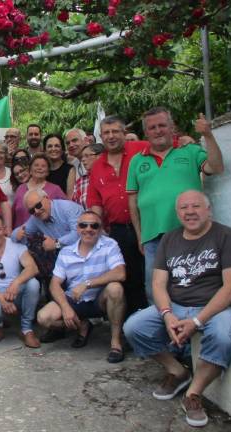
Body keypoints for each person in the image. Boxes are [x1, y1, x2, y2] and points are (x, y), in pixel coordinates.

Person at [124, 191, 231, 428]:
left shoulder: (227, 236)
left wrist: (198, 321)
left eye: (196, 206)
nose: (190, 212)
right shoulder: (170, 239)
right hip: (177, 306)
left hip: (217, 308)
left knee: (224, 336)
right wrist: (167, 314)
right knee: (134, 327)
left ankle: (193, 393)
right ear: (177, 213)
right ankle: (177, 371)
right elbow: (158, 284)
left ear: (208, 210)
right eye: (183, 208)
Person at [127, 108, 224, 304]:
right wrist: (140, 236)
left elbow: (216, 167)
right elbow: (133, 201)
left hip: (189, 232)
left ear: (172, 127)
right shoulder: (137, 161)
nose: (158, 130)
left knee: (192, 283)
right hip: (152, 237)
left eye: (162, 125)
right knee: (154, 288)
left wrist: (208, 135)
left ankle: (193, 329)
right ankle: (164, 331)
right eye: (152, 127)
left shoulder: (191, 151)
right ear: (146, 132)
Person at [36, 211, 127, 363]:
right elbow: (55, 283)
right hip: (75, 299)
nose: (88, 229)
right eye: (83, 225)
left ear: (100, 229)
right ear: (77, 229)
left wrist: (87, 283)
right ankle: (82, 325)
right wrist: (65, 307)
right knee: (43, 318)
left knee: (115, 288)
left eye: (94, 225)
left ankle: (116, 342)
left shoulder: (109, 245)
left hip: (100, 299)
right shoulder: (66, 252)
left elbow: (120, 273)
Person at [88, 116, 150, 315]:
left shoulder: (141, 148)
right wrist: (95, 232)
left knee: (156, 275)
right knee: (130, 280)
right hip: (119, 231)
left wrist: (185, 141)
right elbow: (95, 203)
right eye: (106, 133)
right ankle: (136, 327)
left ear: (124, 133)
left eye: (115, 131)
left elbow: (168, 144)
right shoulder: (97, 166)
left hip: (148, 225)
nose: (111, 136)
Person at [0, 213, 42, 347]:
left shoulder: (16, 245)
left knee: (33, 284)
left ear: (4, 229)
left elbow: (32, 268)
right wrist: (1, 299)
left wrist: (16, 282)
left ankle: (26, 329)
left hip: (14, 291)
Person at [12, 154, 68, 227]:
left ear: (48, 172)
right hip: (21, 234)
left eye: (43, 166)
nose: (39, 168)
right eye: (36, 165)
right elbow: (13, 214)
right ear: (30, 170)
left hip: (47, 235)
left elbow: (66, 211)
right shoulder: (20, 189)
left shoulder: (55, 189)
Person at [71, 143, 103, 209]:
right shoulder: (80, 182)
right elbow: (74, 208)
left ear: (100, 156)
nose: (83, 159)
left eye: (87, 156)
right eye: (82, 157)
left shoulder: (112, 176)